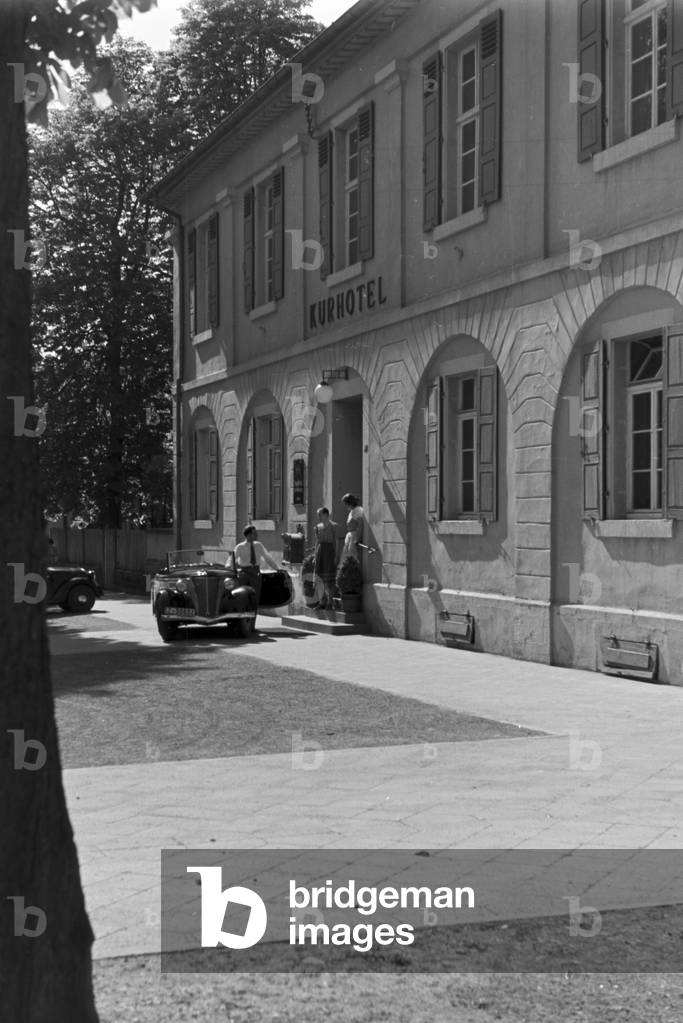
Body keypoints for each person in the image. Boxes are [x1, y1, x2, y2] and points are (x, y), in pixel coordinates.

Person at [229, 525, 279, 605]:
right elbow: (231, 560)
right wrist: (229, 570)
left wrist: (277, 568)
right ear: (248, 535)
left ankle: (254, 611)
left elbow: (267, 557)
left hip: (256, 573)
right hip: (244, 573)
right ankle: (243, 610)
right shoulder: (240, 547)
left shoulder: (259, 545)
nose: (256, 535)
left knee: (255, 595)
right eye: (254, 533)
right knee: (242, 593)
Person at [313, 507, 338, 609]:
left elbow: (336, 541)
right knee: (319, 578)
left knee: (329, 579)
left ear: (326, 514)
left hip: (329, 552)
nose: (318, 517)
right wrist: (315, 556)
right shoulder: (318, 527)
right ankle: (322, 601)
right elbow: (317, 542)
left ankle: (330, 601)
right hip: (320, 552)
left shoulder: (334, 526)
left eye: (320, 514)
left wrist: (336, 555)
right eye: (318, 515)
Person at [341, 493, 364, 559]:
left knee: (351, 557)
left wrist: (358, 539)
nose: (345, 506)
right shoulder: (352, 511)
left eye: (345, 503)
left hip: (354, 537)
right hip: (350, 536)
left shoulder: (358, 510)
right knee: (346, 556)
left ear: (349, 503)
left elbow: (360, 525)